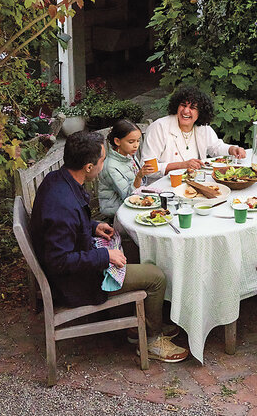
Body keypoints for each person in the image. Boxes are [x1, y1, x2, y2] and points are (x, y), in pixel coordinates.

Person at [29, 131, 189, 363]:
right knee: (156, 276)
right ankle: (152, 340)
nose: (103, 166)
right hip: (76, 284)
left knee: (133, 247)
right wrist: (104, 256)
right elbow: (59, 261)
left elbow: (69, 226)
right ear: (88, 166)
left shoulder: (59, 180)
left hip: (78, 263)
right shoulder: (63, 206)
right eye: (102, 161)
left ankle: (141, 324)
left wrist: (93, 226)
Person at [141, 86, 245, 176]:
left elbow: (216, 147)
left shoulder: (202, 127)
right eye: (183, 105)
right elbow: (147, 168)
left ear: (201, 112)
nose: (186, 111)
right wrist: (182, 165)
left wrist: (232, 149)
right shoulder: (159, 127)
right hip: (163, 186)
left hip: (195, 181)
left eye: (192, 107)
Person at [98, 120, 157, 217]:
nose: (136, 145)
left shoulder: (129, 155)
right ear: (117, 141)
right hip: (116, 209)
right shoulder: (110, 167)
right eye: (131, 142)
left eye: (138, 141)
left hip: (133, 200)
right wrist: (139, 176)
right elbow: (129, 197)